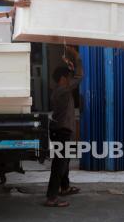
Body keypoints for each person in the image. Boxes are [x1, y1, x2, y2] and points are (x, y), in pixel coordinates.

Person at [45, 46, 83, 207]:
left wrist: (70, 65)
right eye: (68, 77)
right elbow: (80, 77)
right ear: (62, 79)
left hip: (60, 130)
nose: (70, 79)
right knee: (59, 165)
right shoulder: (62, 90)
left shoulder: (60, 89)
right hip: (62, 131)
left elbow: (74, 75)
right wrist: (77, 56)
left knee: (64, 161)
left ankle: (64, 187)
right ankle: (51, 198)